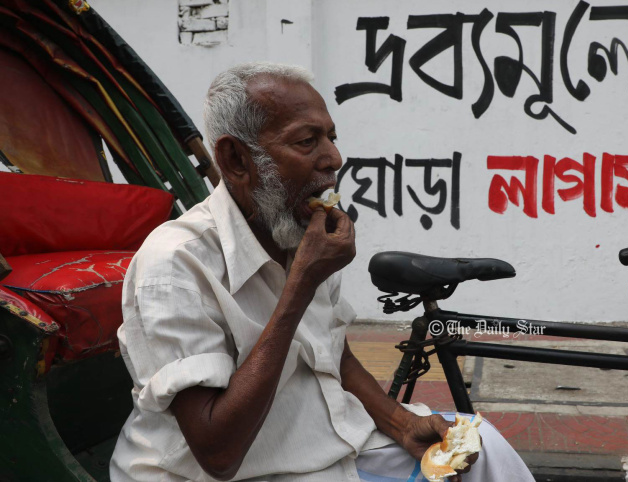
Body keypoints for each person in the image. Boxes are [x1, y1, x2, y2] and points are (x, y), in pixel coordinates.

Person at [109, 62, 536, 482]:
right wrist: (300, 286)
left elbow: (334, 352)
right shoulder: (175, 265)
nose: (333, 158)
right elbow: (219, 454)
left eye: (331, 137)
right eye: (307, 141)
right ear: (237, 160)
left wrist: (402, 423)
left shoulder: (298, 233)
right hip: (229, 472)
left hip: (323, 447)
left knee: (484, 450)